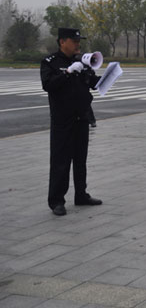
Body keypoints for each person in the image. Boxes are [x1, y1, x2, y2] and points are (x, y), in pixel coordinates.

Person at [40, 28, 103, 216]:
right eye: (74, 41)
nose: (78, 44)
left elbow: (92, 82)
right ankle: (56, 201)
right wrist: (67, 72)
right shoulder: (50, 62)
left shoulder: (82, 61)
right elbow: (48, 84)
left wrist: (108, 77)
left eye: (78, 41)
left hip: (81, 117)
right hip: (62, 120)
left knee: (80, 159)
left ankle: (81, 195)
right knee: (61, 161)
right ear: (62, 42)